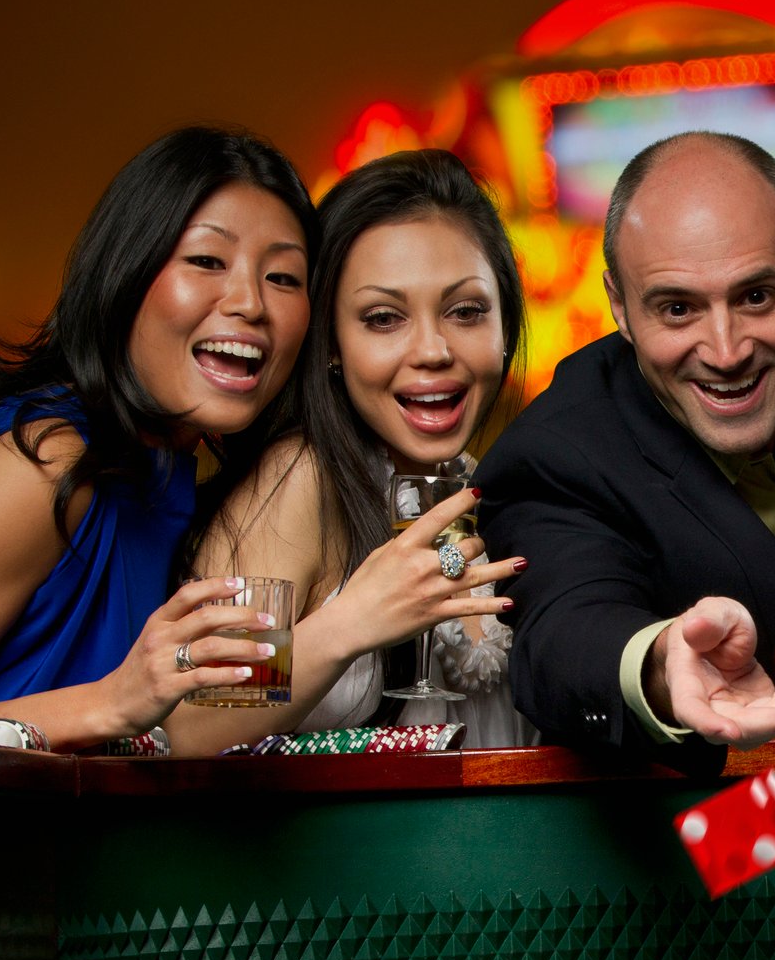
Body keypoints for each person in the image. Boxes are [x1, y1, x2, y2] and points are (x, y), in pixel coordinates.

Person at [0, 127, 318, 751]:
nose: (250, 303)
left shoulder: (176, 478)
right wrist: (110, 703)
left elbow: (211, 733)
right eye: (207, 261)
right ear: (124, 273)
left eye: (285, 278)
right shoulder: (44, 460)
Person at [475, 131, 775, 769]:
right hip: (682, 840)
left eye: (754, 297)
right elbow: (562, 632)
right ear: (620, 308)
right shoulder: (559, 450)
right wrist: (663, 663)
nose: (726, 351)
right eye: (677, 309)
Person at [171, 150, 533, 755]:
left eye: (466, 312)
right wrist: (354, 621)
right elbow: (194, 729)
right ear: (332, 344)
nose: (433, 350)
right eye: (383, 318)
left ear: (504, 329)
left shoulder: (495, 494)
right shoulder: (302, 479)